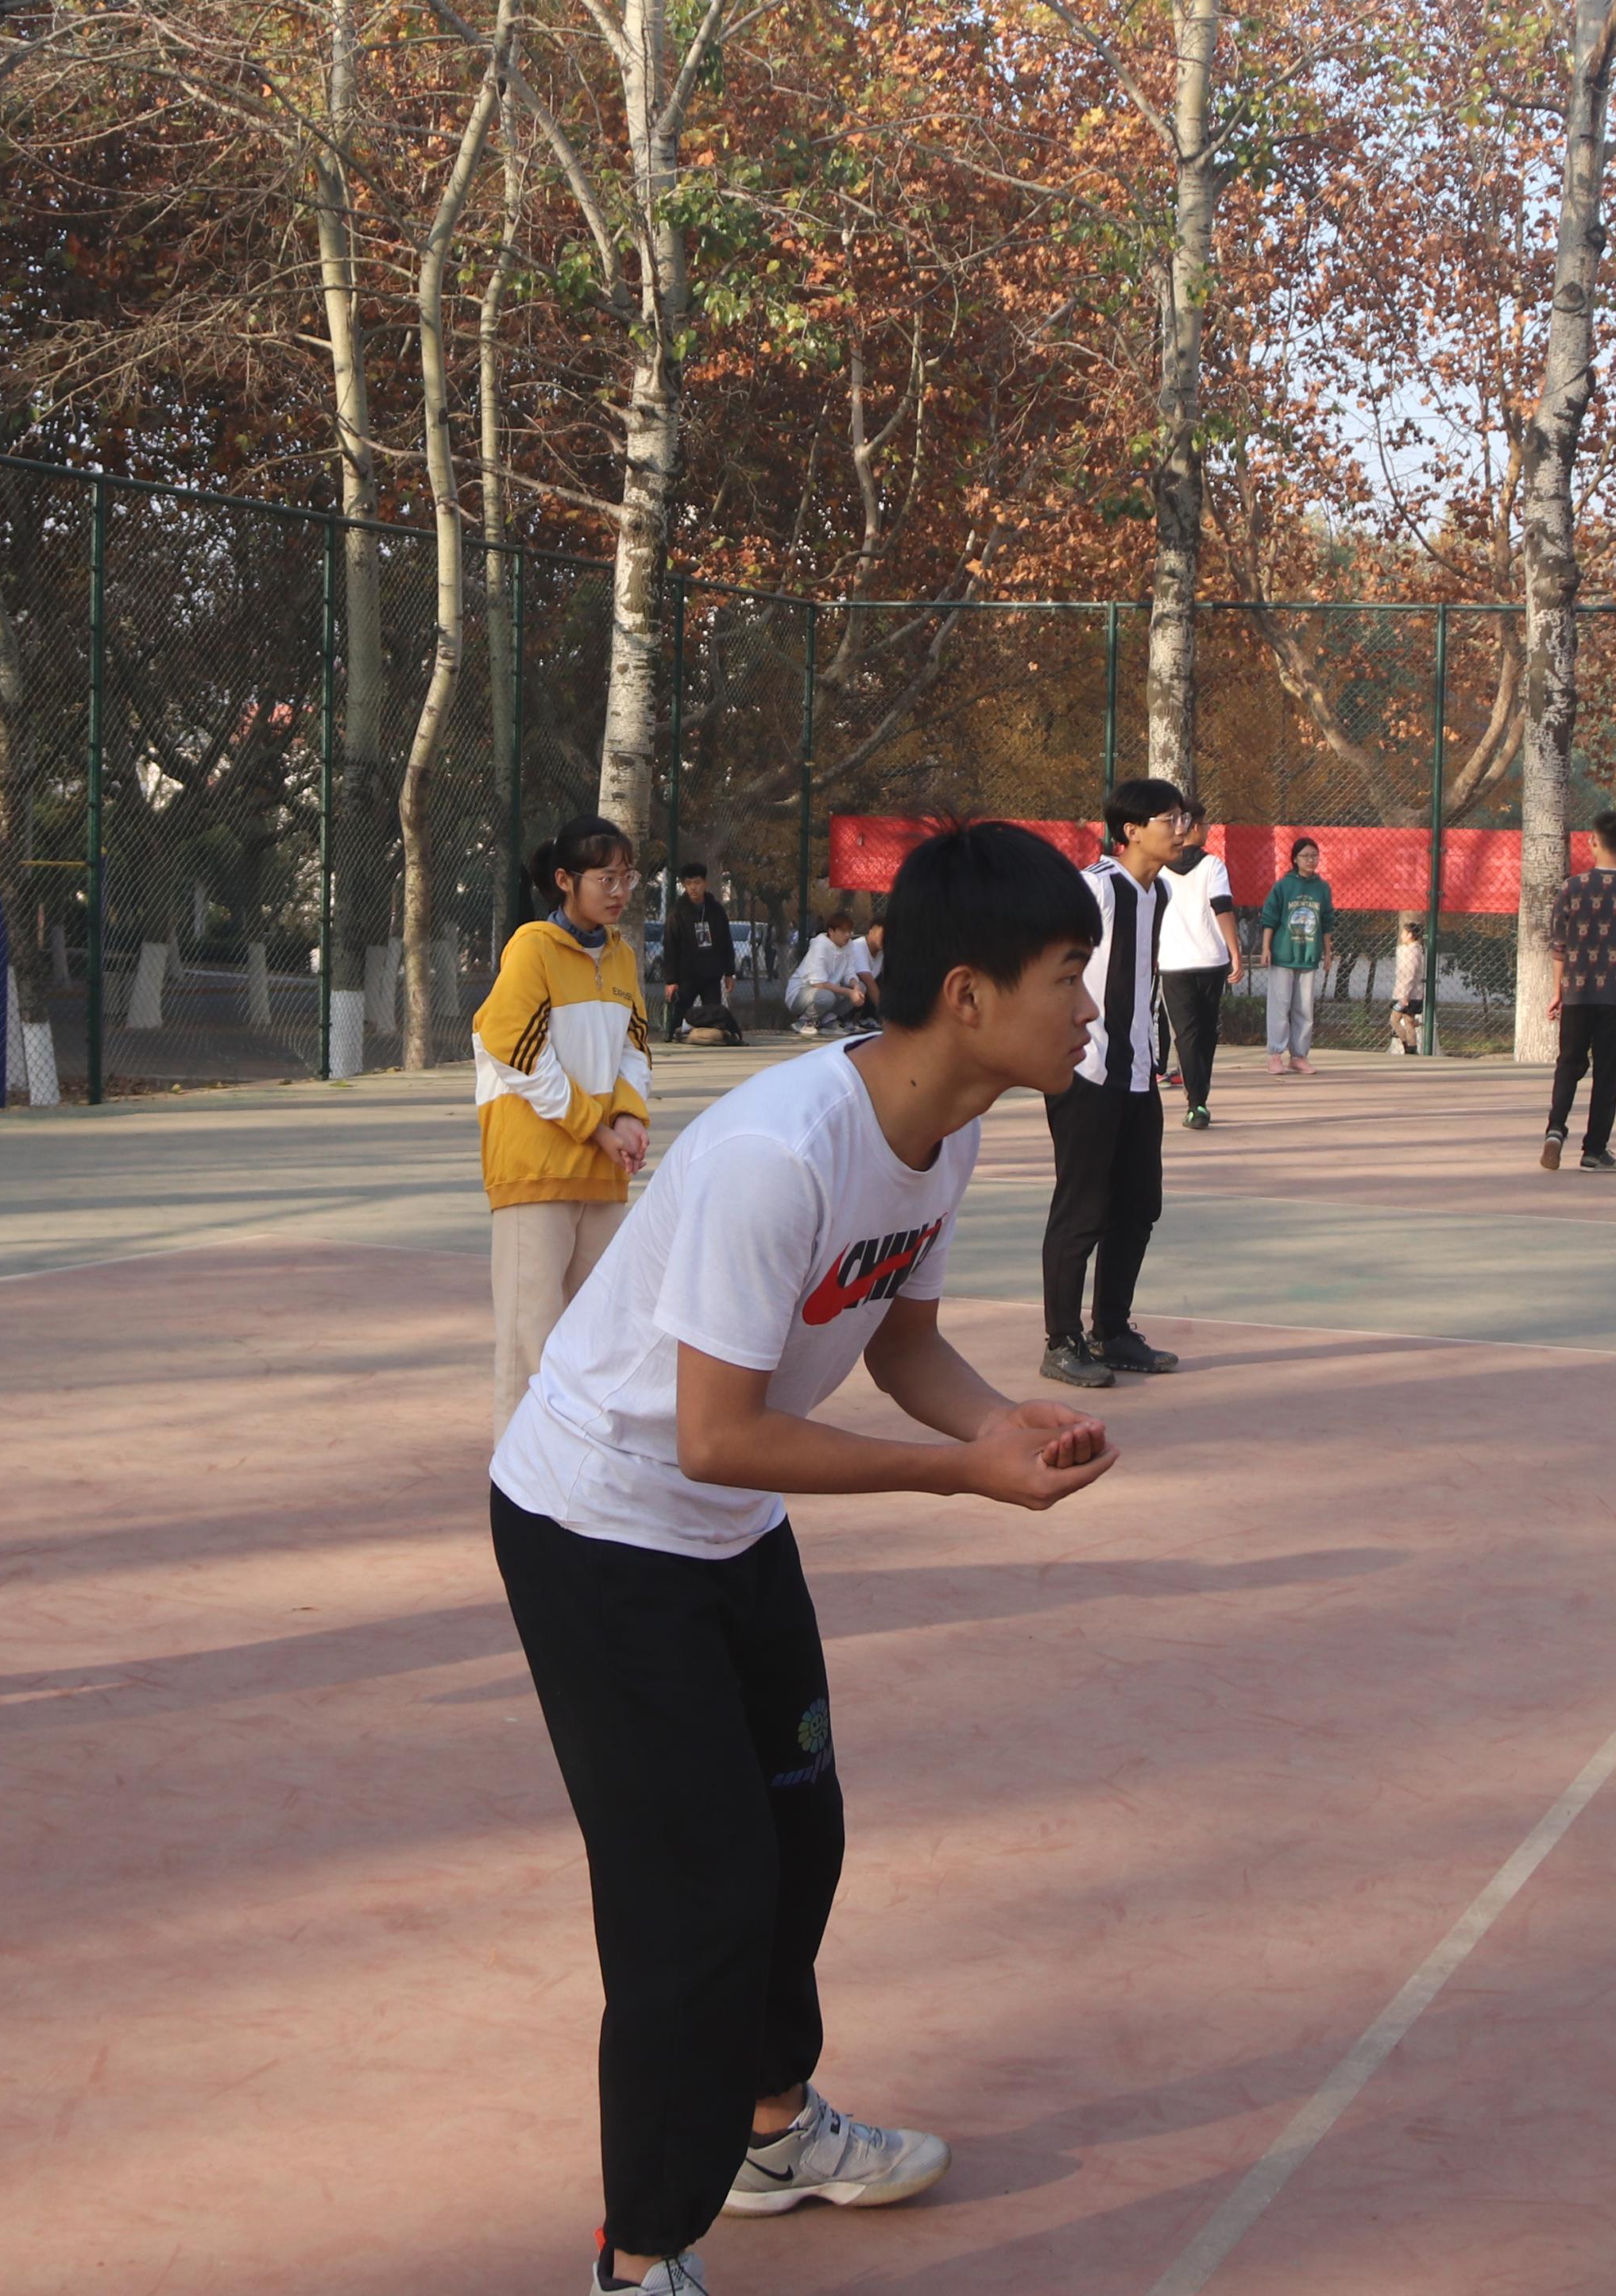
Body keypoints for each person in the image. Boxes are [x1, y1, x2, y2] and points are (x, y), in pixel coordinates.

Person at [486, 819, 1122, 2296]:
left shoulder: (945, 1132)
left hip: (725, 1528)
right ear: (967, 996)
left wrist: (998, 1422)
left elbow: (901, 1346)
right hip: (599, 1526)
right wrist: (960, 1476)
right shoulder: (779, 1154)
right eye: (1066, 973)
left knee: (798, 1841)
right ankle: (643, 2252)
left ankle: (769, 2133)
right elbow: (717, 1433)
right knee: (693, 1901)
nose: (1088, 1006)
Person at [477, 818, 658, 1433]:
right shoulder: (532, 949)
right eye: (606, 878)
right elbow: (514, 1048)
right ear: (565, 880)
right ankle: (516, 1475)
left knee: (596, 1338)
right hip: (535, 1171)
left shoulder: (623, 956)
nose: (620, 890)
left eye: (627, 877)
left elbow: (635, 1045)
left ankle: (576, 1468)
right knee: (530, 1341)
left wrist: (628, 1116)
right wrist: (595, 1127)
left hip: (600, 1174)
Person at [1045, 780, 1193, 1388]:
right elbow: (1048, 963)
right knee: (1082, 1208)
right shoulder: (1094, 888)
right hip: (1086, 1072)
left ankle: (1112, 1330)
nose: (1182, 829)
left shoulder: (1159, 891)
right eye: (1169, 818)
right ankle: (1061, 1340)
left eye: (1183, 817)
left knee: (1138, 1204)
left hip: (1137, 1075)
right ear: (1131, 830)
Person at [1541, 810, 1616, 1172]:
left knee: (1569, 1063)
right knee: (1607, 1072)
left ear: (1592, 841)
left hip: (1578, 991)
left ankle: (1555, 1129)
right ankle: (1594, 1150)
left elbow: (1559, 947)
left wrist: (1558, 991)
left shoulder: (1572, 889)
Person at [1155, 809, 1247, 1128]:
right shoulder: (1213, 865)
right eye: (1205, 824)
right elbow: (1222, 907)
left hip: (1173, 962)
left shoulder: (1158, 868)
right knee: (1206, 1031)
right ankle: (1199, 1099)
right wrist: (1234, 951)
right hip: (1210, 959)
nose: (1207, 830)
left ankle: (1196, 1103)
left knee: (1186, 1034)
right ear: (1194, 827)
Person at [1255, 837, 1336, 1076]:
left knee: (1304, 1008)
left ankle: (1299, 1056)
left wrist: (1328, 952)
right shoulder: (1283, 886)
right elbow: (1270, 918)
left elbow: (1327, 922)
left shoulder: (1322, 888)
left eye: (1314, 856)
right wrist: (1266, 948)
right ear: (1295, 859)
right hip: (1283, 955)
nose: (1311, 860)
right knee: (1280, 1006)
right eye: (1306, 856)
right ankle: (1275, 1055)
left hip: (1308, 955)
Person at [662, 864, 740, 1044]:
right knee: (680, 1011)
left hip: (711, 974)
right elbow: (670, 946)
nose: (693, 888)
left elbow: (726, 942)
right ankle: (672, 1034)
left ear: (705, 883)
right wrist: (671, 980)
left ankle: (712, 1037)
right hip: (687, 975)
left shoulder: (716, 910)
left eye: (697, 883)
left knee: (713, 1013)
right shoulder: (678, 912)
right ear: (684, 885)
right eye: (689, 883)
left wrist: (729, 972)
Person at [790, 910, 872, 1036]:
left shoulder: (849, 945)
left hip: (828, 991)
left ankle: (828, 1021)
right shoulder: (820, 945)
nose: (847, 935)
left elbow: (849, 973)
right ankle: (804, 1021)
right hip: (800, 993)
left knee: (861, 987)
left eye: (849, 931)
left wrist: (856, 987)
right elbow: (819, 983)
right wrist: (850, 993)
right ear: (831, 931)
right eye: (843, 931)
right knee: (827, 996)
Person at [1387, 918, 1430, 1057]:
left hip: (1407, 995)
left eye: (1404, 933)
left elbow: (1409, 975)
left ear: (1410, 935)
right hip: (1412, 994)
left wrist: (1404, 996)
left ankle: (1407, 1045)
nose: (1401, 936)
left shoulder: (1412, 952)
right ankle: (1412, 1047)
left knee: (1394, 1020)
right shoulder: (1413, 950)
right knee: (1409, 1021)